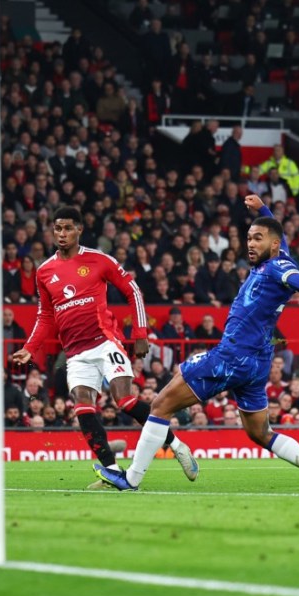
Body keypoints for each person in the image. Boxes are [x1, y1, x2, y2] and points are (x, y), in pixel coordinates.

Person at [95, 195, 299, 491]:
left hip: (233, 357)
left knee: (160, 405)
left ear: (274, 244)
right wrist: (262, 208)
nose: (250, 244)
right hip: (257, 363)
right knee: (260, 433)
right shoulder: (280, 254)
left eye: (258, 239)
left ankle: (131, 479)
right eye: (249, 237)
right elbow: (278, 234)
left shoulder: (280, 269)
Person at [12, 206, 198, 486]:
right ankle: (111, 470)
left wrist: (140, 333)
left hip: (104, 342)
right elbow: (45, 315)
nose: (62, 234)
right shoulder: (44, 271)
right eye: (57, 229)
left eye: (68, 228)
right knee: (83, 408)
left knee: (124, 400)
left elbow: (132, 290)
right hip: (75, 353)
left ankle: (177, 445)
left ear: (79, 230)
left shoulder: (99, 260)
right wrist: (30, 346)